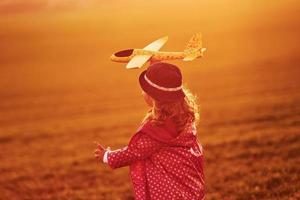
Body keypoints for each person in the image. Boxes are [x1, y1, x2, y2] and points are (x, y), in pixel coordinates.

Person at [94, 62, 205, 200]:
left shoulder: (156, 131)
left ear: (154, 99)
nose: (142, 93)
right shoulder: (184, 118)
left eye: (145, 91)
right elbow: (165, 81)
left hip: (169, 193)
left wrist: (107, 156)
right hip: (188, 186)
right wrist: (156, 66)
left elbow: (133, 152)